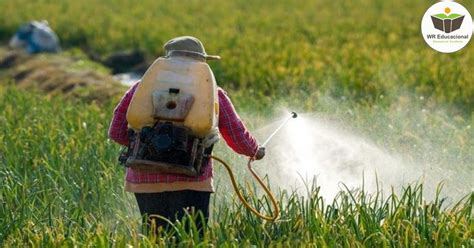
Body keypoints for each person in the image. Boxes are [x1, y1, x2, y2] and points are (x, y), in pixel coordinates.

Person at [108, 36, 265, 234]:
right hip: (192, 179)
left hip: (145, 180)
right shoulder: (213, 94)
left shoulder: (140, 89)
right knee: (192, 238)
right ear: (201, 63)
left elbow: (116, 131)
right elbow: (236, 134)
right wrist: (255, 151)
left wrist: (148, 145)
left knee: (155, 239)